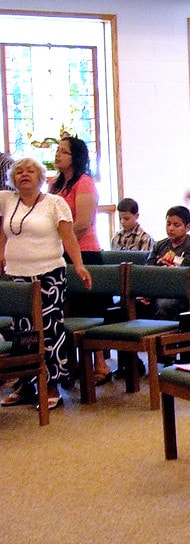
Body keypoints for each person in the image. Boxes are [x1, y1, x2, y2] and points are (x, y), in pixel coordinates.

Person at [0, 157, 93, 410]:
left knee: (49, 331)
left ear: (42, 178)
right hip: (17, 275)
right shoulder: (7, 201)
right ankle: (27, 384)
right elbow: (3, 233)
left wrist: (79, 265)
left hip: (49, 274)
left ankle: (51, 385)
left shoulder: (55, 202)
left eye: (31, 171)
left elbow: (68, 237)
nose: (24, 174)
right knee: (22, 332)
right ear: (12, 178)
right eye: (19, 171)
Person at [52, 135, 107, 383]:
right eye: (58, 150)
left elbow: (84, 222)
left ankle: (101, 365)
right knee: (67, 308)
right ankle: (72, 365)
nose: (58, 155)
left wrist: (57, 237)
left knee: (89, 308)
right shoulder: (54, 185)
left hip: (85, 252)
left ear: (75, 158)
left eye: (64, 152)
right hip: (59, 253)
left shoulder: (84, 183)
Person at [150, 205, 190, 319]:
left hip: (183, 293)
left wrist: (166, 268)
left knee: (164, 305)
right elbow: (148, 269)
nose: (170, 228)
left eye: (176, 225)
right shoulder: (159, 245)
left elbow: (187, 276)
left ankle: (165, 336)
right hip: (158, 288)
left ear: (187, 227)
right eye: (168, 224)